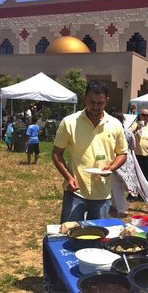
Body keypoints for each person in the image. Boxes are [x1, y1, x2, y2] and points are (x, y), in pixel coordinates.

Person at [52, 81, 128, 223]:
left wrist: (112, 167)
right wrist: (69, 177)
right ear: (84, 99)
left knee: (99, 237)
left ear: (107, 101)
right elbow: (56, 154)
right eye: (91, 102)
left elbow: (122, 153)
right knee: (69, 234)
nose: (95, 107)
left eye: (100, 103)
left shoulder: (115, 124)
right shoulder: (69, 122)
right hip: (75, 192)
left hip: (103, 194)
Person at [131, 108, 148, 183]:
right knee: (136, 176)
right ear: (140, 116)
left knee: (146, 176)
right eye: (143, 115)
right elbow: (128, 136)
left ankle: (144, 194)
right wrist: (136, 129)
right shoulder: (134, 125)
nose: (146, 117)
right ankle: (134, 194)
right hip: (137, 155)